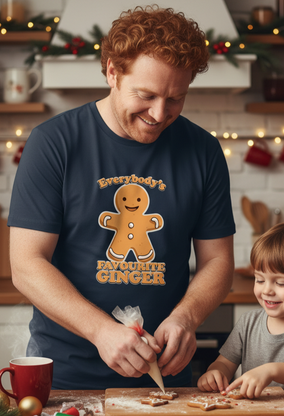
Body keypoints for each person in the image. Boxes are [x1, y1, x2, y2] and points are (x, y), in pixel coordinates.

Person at [8, 5, 235, 390]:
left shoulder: (204, 151)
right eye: (146, 95)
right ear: (113, 71)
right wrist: (102, 331)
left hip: (165, 378)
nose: (160, 114)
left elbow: (218, 261)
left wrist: (187, 318)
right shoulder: (54, 143)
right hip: (66, 377)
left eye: (176, 99)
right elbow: (26, 264)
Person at [197, 222, 284, 398]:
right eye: (260, 280)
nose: (267, 291)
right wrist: (215, 373)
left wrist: (271, 370)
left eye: (281, 283)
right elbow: (224, 363)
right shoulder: (248, 323)